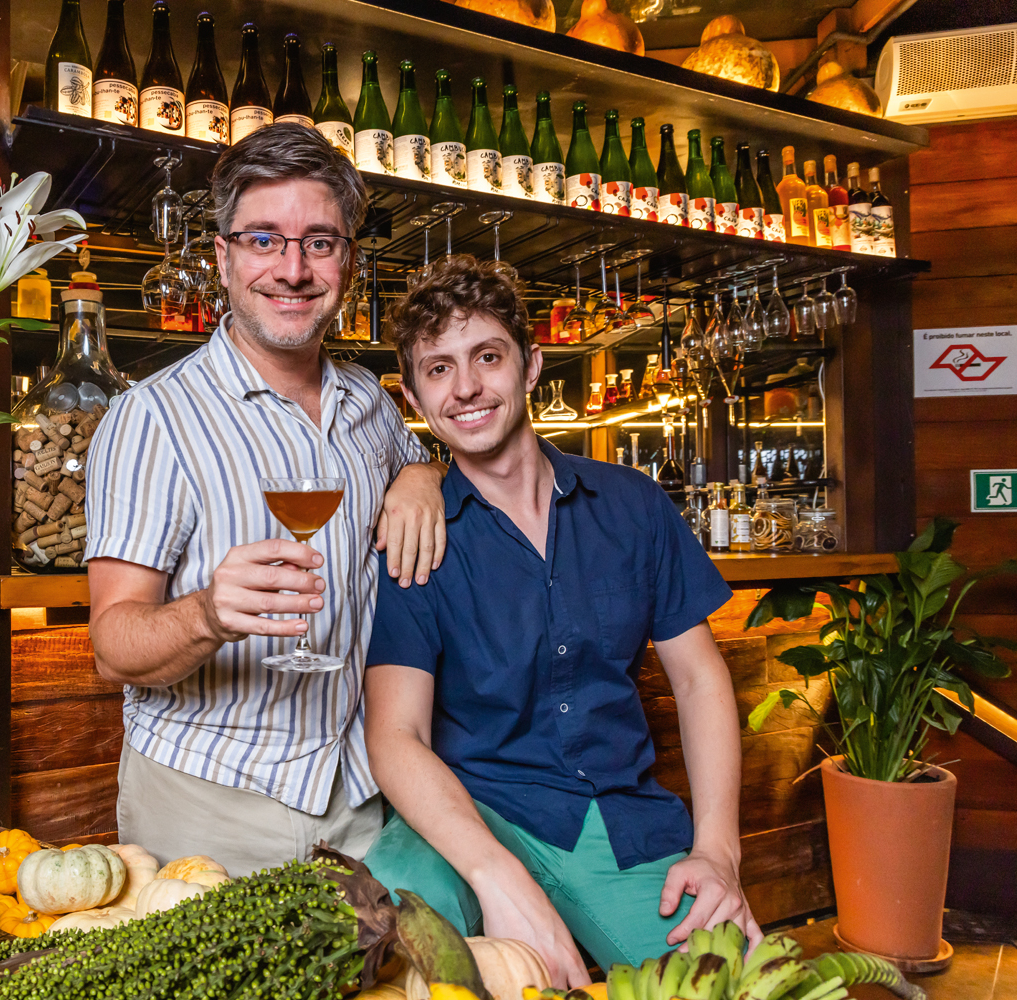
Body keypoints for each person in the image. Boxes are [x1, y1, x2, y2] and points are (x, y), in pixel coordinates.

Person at [361, 256, 761, 988]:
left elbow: (701, 682)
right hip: (468, 812)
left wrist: (717, 851)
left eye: (487, 357)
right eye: (438, 369)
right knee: (381, 932)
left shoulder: (632, 504)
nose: (467, 387)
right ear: (414, 395)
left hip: (613, 818)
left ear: (531, 364)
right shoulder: (415, 533)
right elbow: (396, 736)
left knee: (730, 982)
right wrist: (503, 880)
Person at [83, 123, 447, 878]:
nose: (293, 268)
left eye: (319, 241)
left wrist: (421, 474)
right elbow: (112, 648)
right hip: (208, 805)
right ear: (221, 257)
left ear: (347, 260)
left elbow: (427, 465)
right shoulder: (153, 416)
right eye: (263, 240)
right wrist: (208, 613)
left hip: (360, 799)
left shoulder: (371, 407)